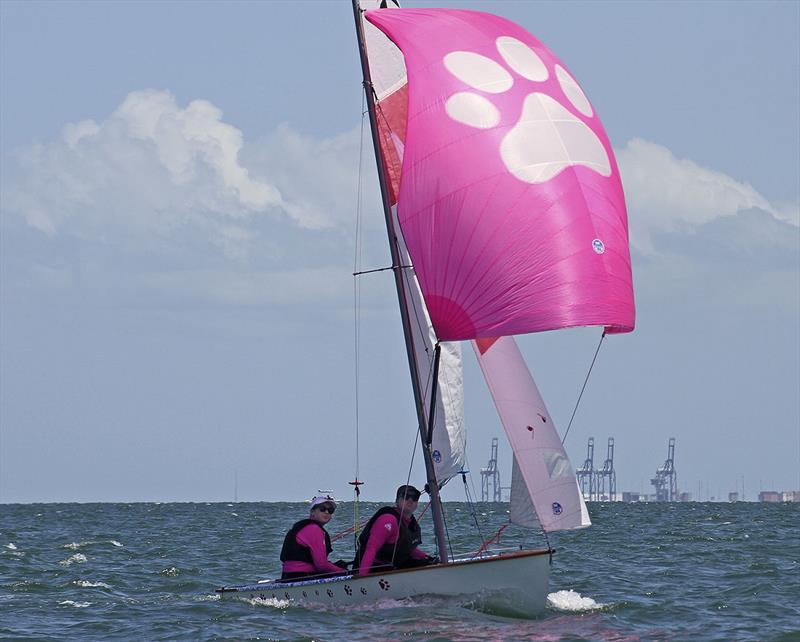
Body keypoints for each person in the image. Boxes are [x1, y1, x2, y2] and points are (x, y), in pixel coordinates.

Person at [353, 484, 438, 575]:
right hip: (372, 568)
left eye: (414, 497)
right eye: (406, 496)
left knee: (426, 564)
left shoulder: (410, 523)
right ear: (397, 501)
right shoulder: (388, 520)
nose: (410, 500)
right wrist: (361, 578)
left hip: (393, 566)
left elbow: (407, 549)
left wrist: (428, 558)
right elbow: (371, 549)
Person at [280, 495, 349, 581]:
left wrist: (334, 566)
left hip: (288, 576)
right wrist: (343, 572)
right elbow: (321, 565)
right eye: (322, 509)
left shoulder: (303, 527)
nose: (327, 512)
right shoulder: (314, 529)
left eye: (330, 510)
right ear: (312, 512)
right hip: (301, 577)